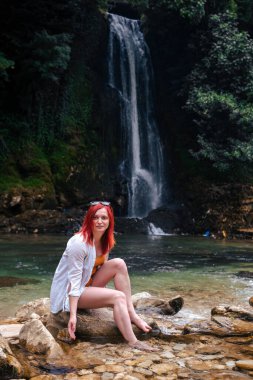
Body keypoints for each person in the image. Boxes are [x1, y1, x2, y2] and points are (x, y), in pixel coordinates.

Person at [50, 201, 159, 352]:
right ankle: (133, 341)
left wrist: (101, 295)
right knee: (118, 297)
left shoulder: (105, 240)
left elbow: (100, 268)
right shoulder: (78, 243)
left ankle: (132, 314)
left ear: (110, 221)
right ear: (89, 220)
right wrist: (73, 315)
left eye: (104, 218)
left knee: (119, 263)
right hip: (69, 294)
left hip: (87, 286)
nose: (100, 221)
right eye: (95, 218)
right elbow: (74, 282)